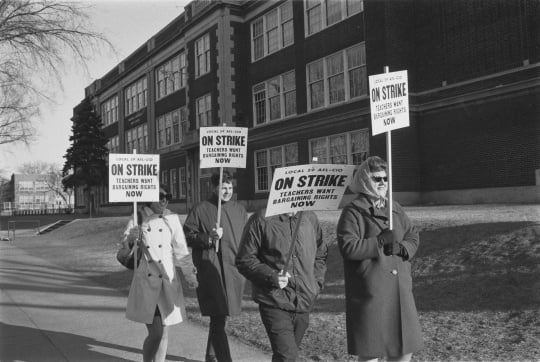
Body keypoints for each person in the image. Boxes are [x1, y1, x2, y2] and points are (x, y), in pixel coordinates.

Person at [336, 156, 423, 362]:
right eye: (377, 179)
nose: (383, 182)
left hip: (400, 290)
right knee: (371, 350)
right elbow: (348, 247)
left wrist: (402, 248)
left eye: (385, 178)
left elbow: (413, 235)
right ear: (366, 180)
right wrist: (379, 242)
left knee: (404, 348)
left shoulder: (395, 207)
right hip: (372, 289)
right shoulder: (353, 211)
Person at [236, 209, 328, 362]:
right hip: (274, 300)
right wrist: (271, 276)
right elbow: (244, 259)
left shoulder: (310, 218)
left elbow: (321, 253)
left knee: (283, 357)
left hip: (303, 300)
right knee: (288, 357)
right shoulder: (261, 219)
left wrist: (316, 282)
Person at [122, 185, 198, 362]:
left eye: (167, 196)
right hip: (147, 281)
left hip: (167, 281)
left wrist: (190, 275)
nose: (164, 199)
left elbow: (181, 250)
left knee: (164, 331)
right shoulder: (139, 217)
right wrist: (131, 239)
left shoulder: (172, 218)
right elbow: (124, 248)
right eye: (160, 196)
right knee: (156, 332)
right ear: (150, 197)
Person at [183, 171, 247, 362]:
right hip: (211, 266)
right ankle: (222, 358)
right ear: (214, 187)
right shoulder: (200, 209)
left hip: (233, 268)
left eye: (230, 187)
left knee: (221, 315)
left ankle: (211, 354)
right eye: (223, 187)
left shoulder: (240, 209)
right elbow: (188, 236)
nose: (227, 191)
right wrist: (208, 238)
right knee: (218, 313)